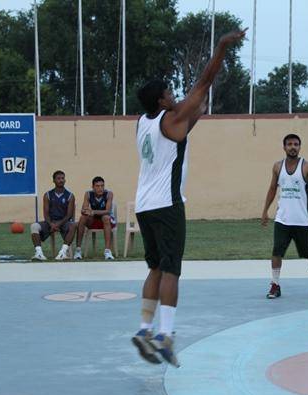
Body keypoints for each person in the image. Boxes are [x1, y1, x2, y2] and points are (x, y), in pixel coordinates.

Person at [130, 28, 247, 367]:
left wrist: (196, 110)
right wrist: (222, 49)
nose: (173, 94)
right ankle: (166, 336)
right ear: (161, 101)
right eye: (168, 92)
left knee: (154, 267)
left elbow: (183, 128)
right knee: (171, 271)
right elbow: (204, 83)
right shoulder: (171, 117)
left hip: (144, 206)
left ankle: (143, 329)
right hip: (167, 205)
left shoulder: (143, 122)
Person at [261, 134, 308, 298]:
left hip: (301, 220)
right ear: (284, 147)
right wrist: (265, 210)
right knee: (276, 252)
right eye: (289, 144)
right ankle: (275, 284)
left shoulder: (307, 166)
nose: (292, 147)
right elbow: (272, 189)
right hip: (282, 219)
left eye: (296, 144)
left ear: (300, 147)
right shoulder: (277, 166)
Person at [30, 170, 76, 261]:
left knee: (73, 225)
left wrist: (58, 224)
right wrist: (51, 224)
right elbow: (46, 214)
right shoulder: (47, 195)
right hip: (50, 222)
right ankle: (39, 253)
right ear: (54, 180)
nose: (61, 180)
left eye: (63, 178)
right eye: (58, 178)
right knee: (34, 226)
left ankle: (63, 253)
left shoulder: (70, 195)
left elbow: (69, 214)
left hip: (63, 222)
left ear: (65, 180)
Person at [73, 176, 116, 260]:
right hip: (93, 220)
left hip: (106, 220)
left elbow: (107, 211)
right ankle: (78, 250)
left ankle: (107, 251)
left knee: (106, 217)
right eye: (97, 186)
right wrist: (86, 211)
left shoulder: (109, 194)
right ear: (93, 187)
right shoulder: (88, 194)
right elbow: (84, 209)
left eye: (102, 186)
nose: (100, 188)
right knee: (82, 218)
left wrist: (93, 212)